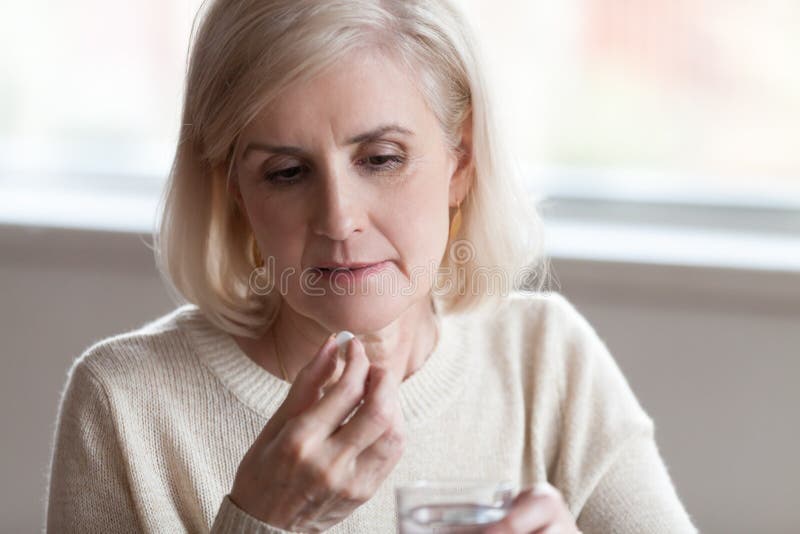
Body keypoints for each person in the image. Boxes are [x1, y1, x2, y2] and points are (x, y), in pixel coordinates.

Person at [45, 0, 699, 532]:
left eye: (381, 159)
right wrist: (263, 520)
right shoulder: (124, 404)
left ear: (461, 160)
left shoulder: (546, 363)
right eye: (287, 172)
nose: (338, 219)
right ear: (236, 193)